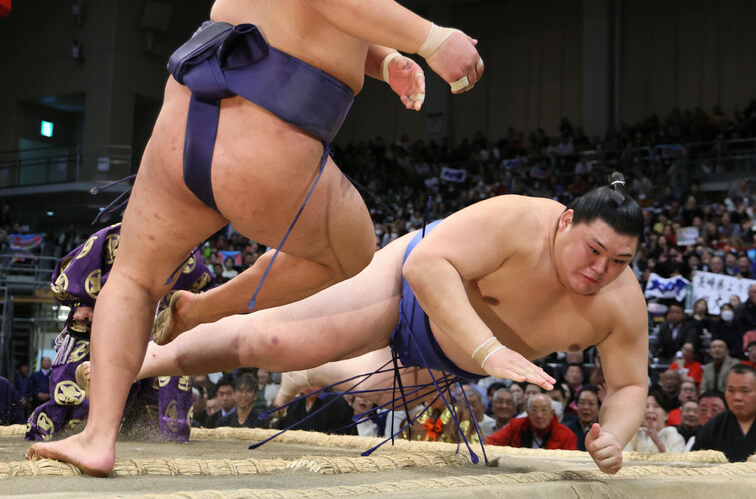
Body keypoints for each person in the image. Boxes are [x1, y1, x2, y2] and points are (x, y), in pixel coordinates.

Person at [26, 0, 483, 477]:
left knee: (132, 276)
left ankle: (98, 436)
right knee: (353, 253)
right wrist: (431, 38)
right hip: (264, 139)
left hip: (185, 124)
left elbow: (301, 7)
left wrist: (383, 61)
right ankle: (202, 311)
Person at [102, 175, 648, 474]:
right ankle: (143, 361)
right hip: (409, 292)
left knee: (372, 391)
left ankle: (309, 372)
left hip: (451, 357)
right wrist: (486, 352)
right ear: (567, 221)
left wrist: (616, 440)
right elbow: (426, 265)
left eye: (620, 262)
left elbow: (628, 384)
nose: (600, 270)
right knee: (274, 341)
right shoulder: (517, 219)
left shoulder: (621, 303)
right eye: (594, 249)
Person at [25, 223, 215, 443]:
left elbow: (202, 291)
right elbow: (77, 272)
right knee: (79, 371)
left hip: (161, 324)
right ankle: (73, 431)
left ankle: (161, 436)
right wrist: (83, 303)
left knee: (169, 365)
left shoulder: (187, 252)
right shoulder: (115, 237)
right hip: (106, 315)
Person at [692, 364, 756, 462]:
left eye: (745, 391)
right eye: (731, 390)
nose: (737, 397)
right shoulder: (713, 427)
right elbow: (693, 464)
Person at [485, 393, 577, 450]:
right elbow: (492, 441)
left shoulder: (567, 436)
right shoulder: (516, 425)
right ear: (528, 413)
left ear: (552, 413)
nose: (539, 415)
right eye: (534, 410)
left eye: (544, 410)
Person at [623, 389, 686, 454]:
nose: (650, 410)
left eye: (656, 406)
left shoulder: (673, 436)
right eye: (646, 406)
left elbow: (676, 461)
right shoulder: (634, 434)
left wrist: (658, 442)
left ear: (667, 414)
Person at [563, 385, 601, 451]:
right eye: (582, 402)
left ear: (599, 407)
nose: (586, 407)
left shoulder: (603, 429)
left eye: (591, 403)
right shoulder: (566, 428)